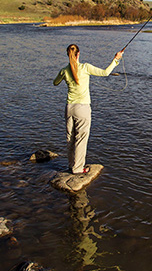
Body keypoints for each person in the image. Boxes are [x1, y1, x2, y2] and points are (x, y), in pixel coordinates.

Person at [53, 44, 124, 174]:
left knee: (71, 138)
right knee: (81, 139)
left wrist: (64, 77)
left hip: (69, 108)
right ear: (78, 54)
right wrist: (116, 59)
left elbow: (55, 82)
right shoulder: (85, 67)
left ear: (68, 54)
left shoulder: (64, 70)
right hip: (82, 109)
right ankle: (78, 168)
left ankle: (71, 165)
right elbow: (105, 72)